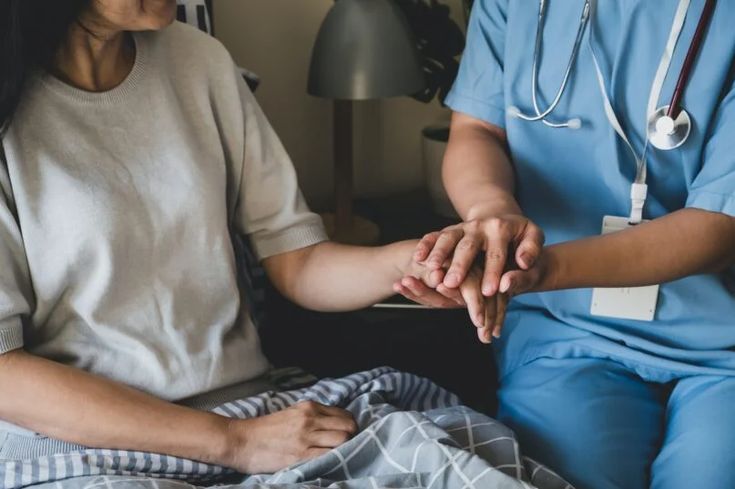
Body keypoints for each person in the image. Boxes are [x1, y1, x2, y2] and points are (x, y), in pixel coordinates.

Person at [0, 0, 490, 475]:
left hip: (256, 411)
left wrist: (410, 262)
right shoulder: (11, 112)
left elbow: (298, 261)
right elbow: (6, 375)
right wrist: (234, 443)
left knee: (467, 459)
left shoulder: (199, 60)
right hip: (84, 446)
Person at [397, 1, 735, 488]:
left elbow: (719, 225)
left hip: (720, 339)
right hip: (564, 328)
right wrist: (492, 213)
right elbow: (477, 129)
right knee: (567, 477)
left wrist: (541, 269)